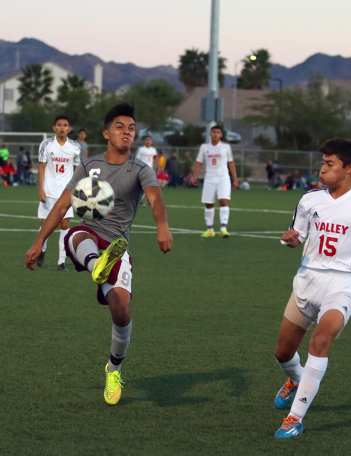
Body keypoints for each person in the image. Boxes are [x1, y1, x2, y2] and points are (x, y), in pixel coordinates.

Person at [25, 103, 173, 406]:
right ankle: (96, 265)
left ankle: (113, 369)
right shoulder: (89, 165)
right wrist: (39, 240)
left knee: (121, 312)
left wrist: (163, 226)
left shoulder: (140, 169)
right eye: (120, 127)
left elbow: (155, 198)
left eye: (131, 128)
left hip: (118, 247)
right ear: (107, 133)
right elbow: (63, 204)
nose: (127, 132)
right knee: (77, 233)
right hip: (90, 238)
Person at [273, 138, 351, 438]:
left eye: (329, 165)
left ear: (349, 168)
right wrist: (291, 240)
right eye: (322, 163)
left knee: (320, 341)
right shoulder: (309, 200)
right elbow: (297, 237)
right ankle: (296, 380)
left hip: (342, 286)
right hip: (306, 281)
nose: (322, 170)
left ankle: (294, 419)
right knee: (282, 353)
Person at [36, 115, 81, 271]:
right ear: (54, 128)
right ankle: (42, 248)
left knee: (64, 225)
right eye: (59, 125)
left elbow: (77, 170)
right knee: (46, 225)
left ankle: (61, 262)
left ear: (69, 128)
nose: (62, 127)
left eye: (65, 125)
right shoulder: (46, 145)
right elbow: (41, 167)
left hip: (66, 193)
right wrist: (40, 188)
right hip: (48, 191)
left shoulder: (75, 147)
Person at [192, 125, 238, 238]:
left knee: (223, 201)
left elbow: (231, 162)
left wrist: (235, 179)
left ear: (221, 135)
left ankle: (223, 229)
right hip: (209, 178)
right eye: (214, 132)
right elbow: (199, 162)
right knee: (209, 203)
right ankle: (210, 230)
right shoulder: (204, 147)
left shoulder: (226, 147)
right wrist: (194, 176)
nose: (216, 134)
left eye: (218, 132)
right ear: (210, 134)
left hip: (223, 178)